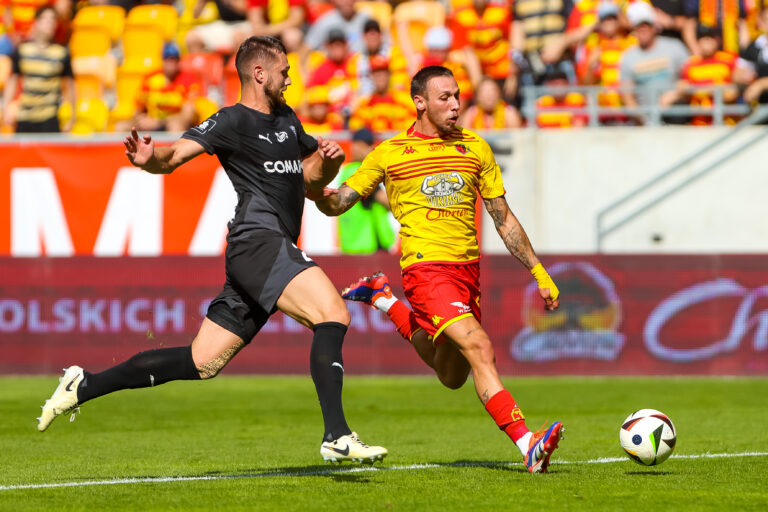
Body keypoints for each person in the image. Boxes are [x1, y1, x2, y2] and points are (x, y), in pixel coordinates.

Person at [36, 35, 387, 465]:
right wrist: (151, 159)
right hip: (258, 243)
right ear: (259, 73)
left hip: (264, 253)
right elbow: (172, 158)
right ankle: (337, 434)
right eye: (283, 71)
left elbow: (313, 180)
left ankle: (84, 385)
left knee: (201, 362)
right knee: (332, 314)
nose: (289, 77)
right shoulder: (232, 121)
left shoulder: (288, 121)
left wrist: (330, 161)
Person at [314, 65, 564, 474]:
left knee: (452, 375)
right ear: (420, 102)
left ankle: (383, 298)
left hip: (468, 274)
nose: (455, 104)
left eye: (457, 96)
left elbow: (502, 218)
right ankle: (527, 443)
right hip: (426, 270)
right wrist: (314, 187)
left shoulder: (476, 148)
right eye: (444, 97)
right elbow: (339, 202)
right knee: (481, 347)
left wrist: (538, 271)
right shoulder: (390, 153)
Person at [2, 5, 74, 133]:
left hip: (49, 117)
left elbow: (71, 85)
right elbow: (13, 80)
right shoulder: (22, 50)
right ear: (37, 22)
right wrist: (6, 108)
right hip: (25, 116)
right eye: (46, 20)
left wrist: (73, 116)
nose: (50, 24)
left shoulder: (61, 52)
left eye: (53, 20)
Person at [620, 1, 690, 122]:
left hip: (674, 115)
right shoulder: (628, 57)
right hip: (644, 121)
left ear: (654, 27)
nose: (642, 30)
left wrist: (674, 94)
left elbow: (690, 78)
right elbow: (628, 98)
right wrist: (644, 120)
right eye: (638, 26)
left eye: (646, 25)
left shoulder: (674, 47)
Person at [119, 42, 203, 133]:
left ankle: (173, 147)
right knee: (121, 127)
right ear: (163, 60)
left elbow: (188, 115)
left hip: (172, 122)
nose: (171, 63)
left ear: (179, 61)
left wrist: (159, 122)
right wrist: (140, 119)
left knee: (175, 126)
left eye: (174, 59)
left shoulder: (188, 80)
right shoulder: (150, 78)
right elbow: (139, 109)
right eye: (167, 58)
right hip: (151, 121)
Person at [336, 128, 396, 254]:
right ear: (357, 146)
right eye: (368, 145)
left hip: (351, 243)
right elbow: (387, 202)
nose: (372, 150)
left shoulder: (347, 171)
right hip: (369, 243)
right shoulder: (361, 172)